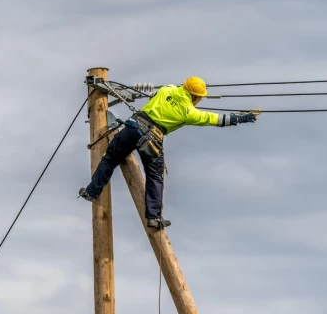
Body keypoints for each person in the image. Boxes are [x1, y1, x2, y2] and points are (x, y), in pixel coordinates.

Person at [78, 76, 258, 228]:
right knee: (155, 176)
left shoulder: (167, 89)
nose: (201, 100)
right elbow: (215, 119)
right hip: (151, 138)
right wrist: (240, 118)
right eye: (200, 97)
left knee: (109, 159)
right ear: (194, 96)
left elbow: (160, 94)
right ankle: (154, 217)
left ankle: (91, 192)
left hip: (133, 127)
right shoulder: (189, 112)